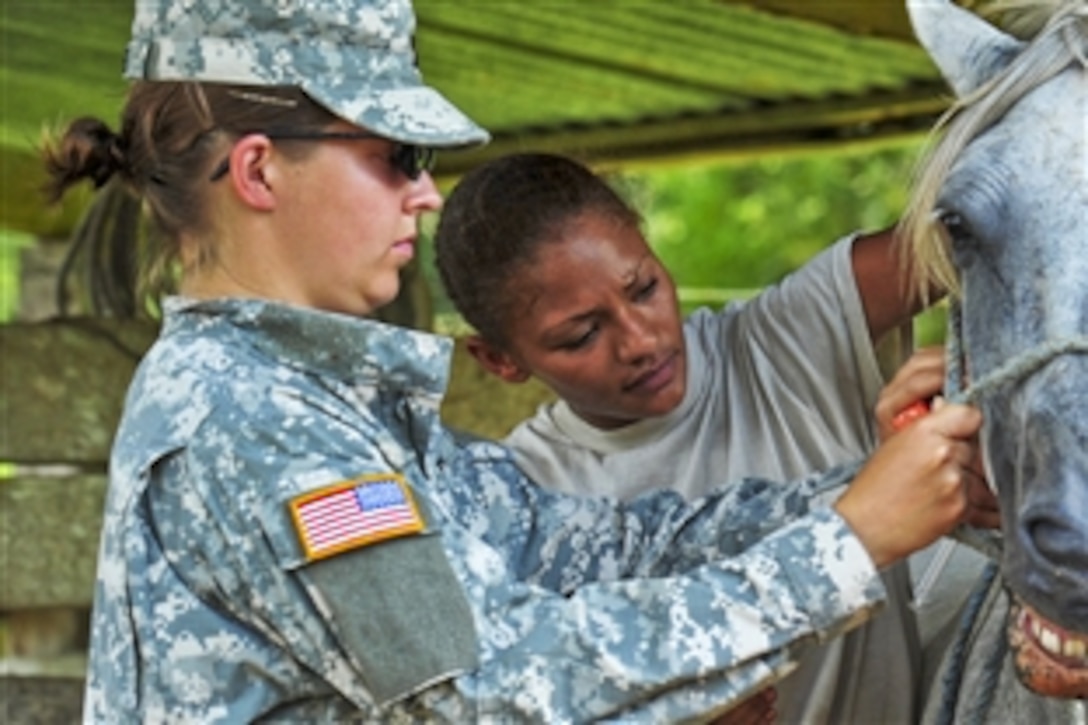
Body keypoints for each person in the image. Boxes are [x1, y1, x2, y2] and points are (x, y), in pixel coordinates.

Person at [44, 1, 984, 721]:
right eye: (395, 155)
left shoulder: (318, 400)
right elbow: (487, 686)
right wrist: (850, 543)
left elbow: (590, 544)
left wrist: (870, 490)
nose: (424, 193)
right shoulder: (249, 420)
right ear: (258, 173)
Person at [434, 152, 999, 724]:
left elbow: (1006, 219)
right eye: (582, 335)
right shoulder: (524, 507)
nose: (641, 340)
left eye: (645, 288)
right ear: (500, 360)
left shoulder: (788, 338)